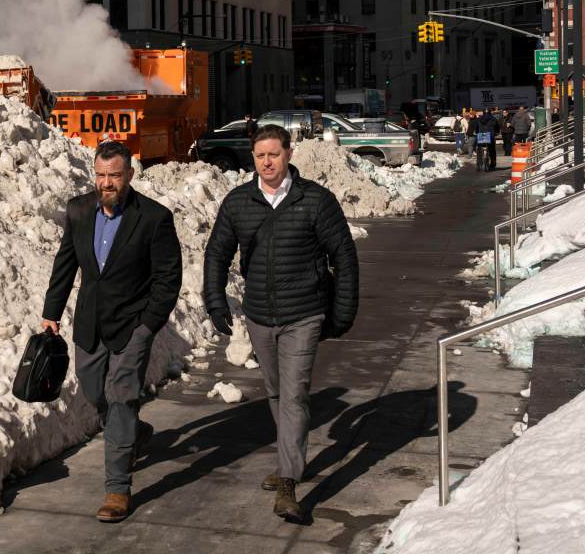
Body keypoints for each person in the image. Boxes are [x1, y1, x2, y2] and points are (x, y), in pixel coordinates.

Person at [202, 125, 359, 523]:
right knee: (275, 391)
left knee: (293, 394)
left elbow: (343, 255)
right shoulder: (239, 202)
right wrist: (215, 299)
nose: (267, 162)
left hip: (303, 313)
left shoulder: (315, 201)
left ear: (288, 153)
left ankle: (288, 483)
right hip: (259, 315)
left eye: (274, 154)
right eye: (260, 156)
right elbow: (217, 253)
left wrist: (342, 312)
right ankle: (292, 458)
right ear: (252, 159)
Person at [41, 140, 183, 523]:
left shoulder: (153, 218)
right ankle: (133, 433)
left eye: (115, 176)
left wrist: (148, 326)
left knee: (120, 395)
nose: (107, 183)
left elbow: (168, 279)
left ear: (130, 176)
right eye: (101, 175)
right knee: (93, 390)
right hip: (89, 323)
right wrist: (51, 312)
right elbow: (65, 264)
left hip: (132, 325)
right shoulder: (79, 211)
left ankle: (117, 488)